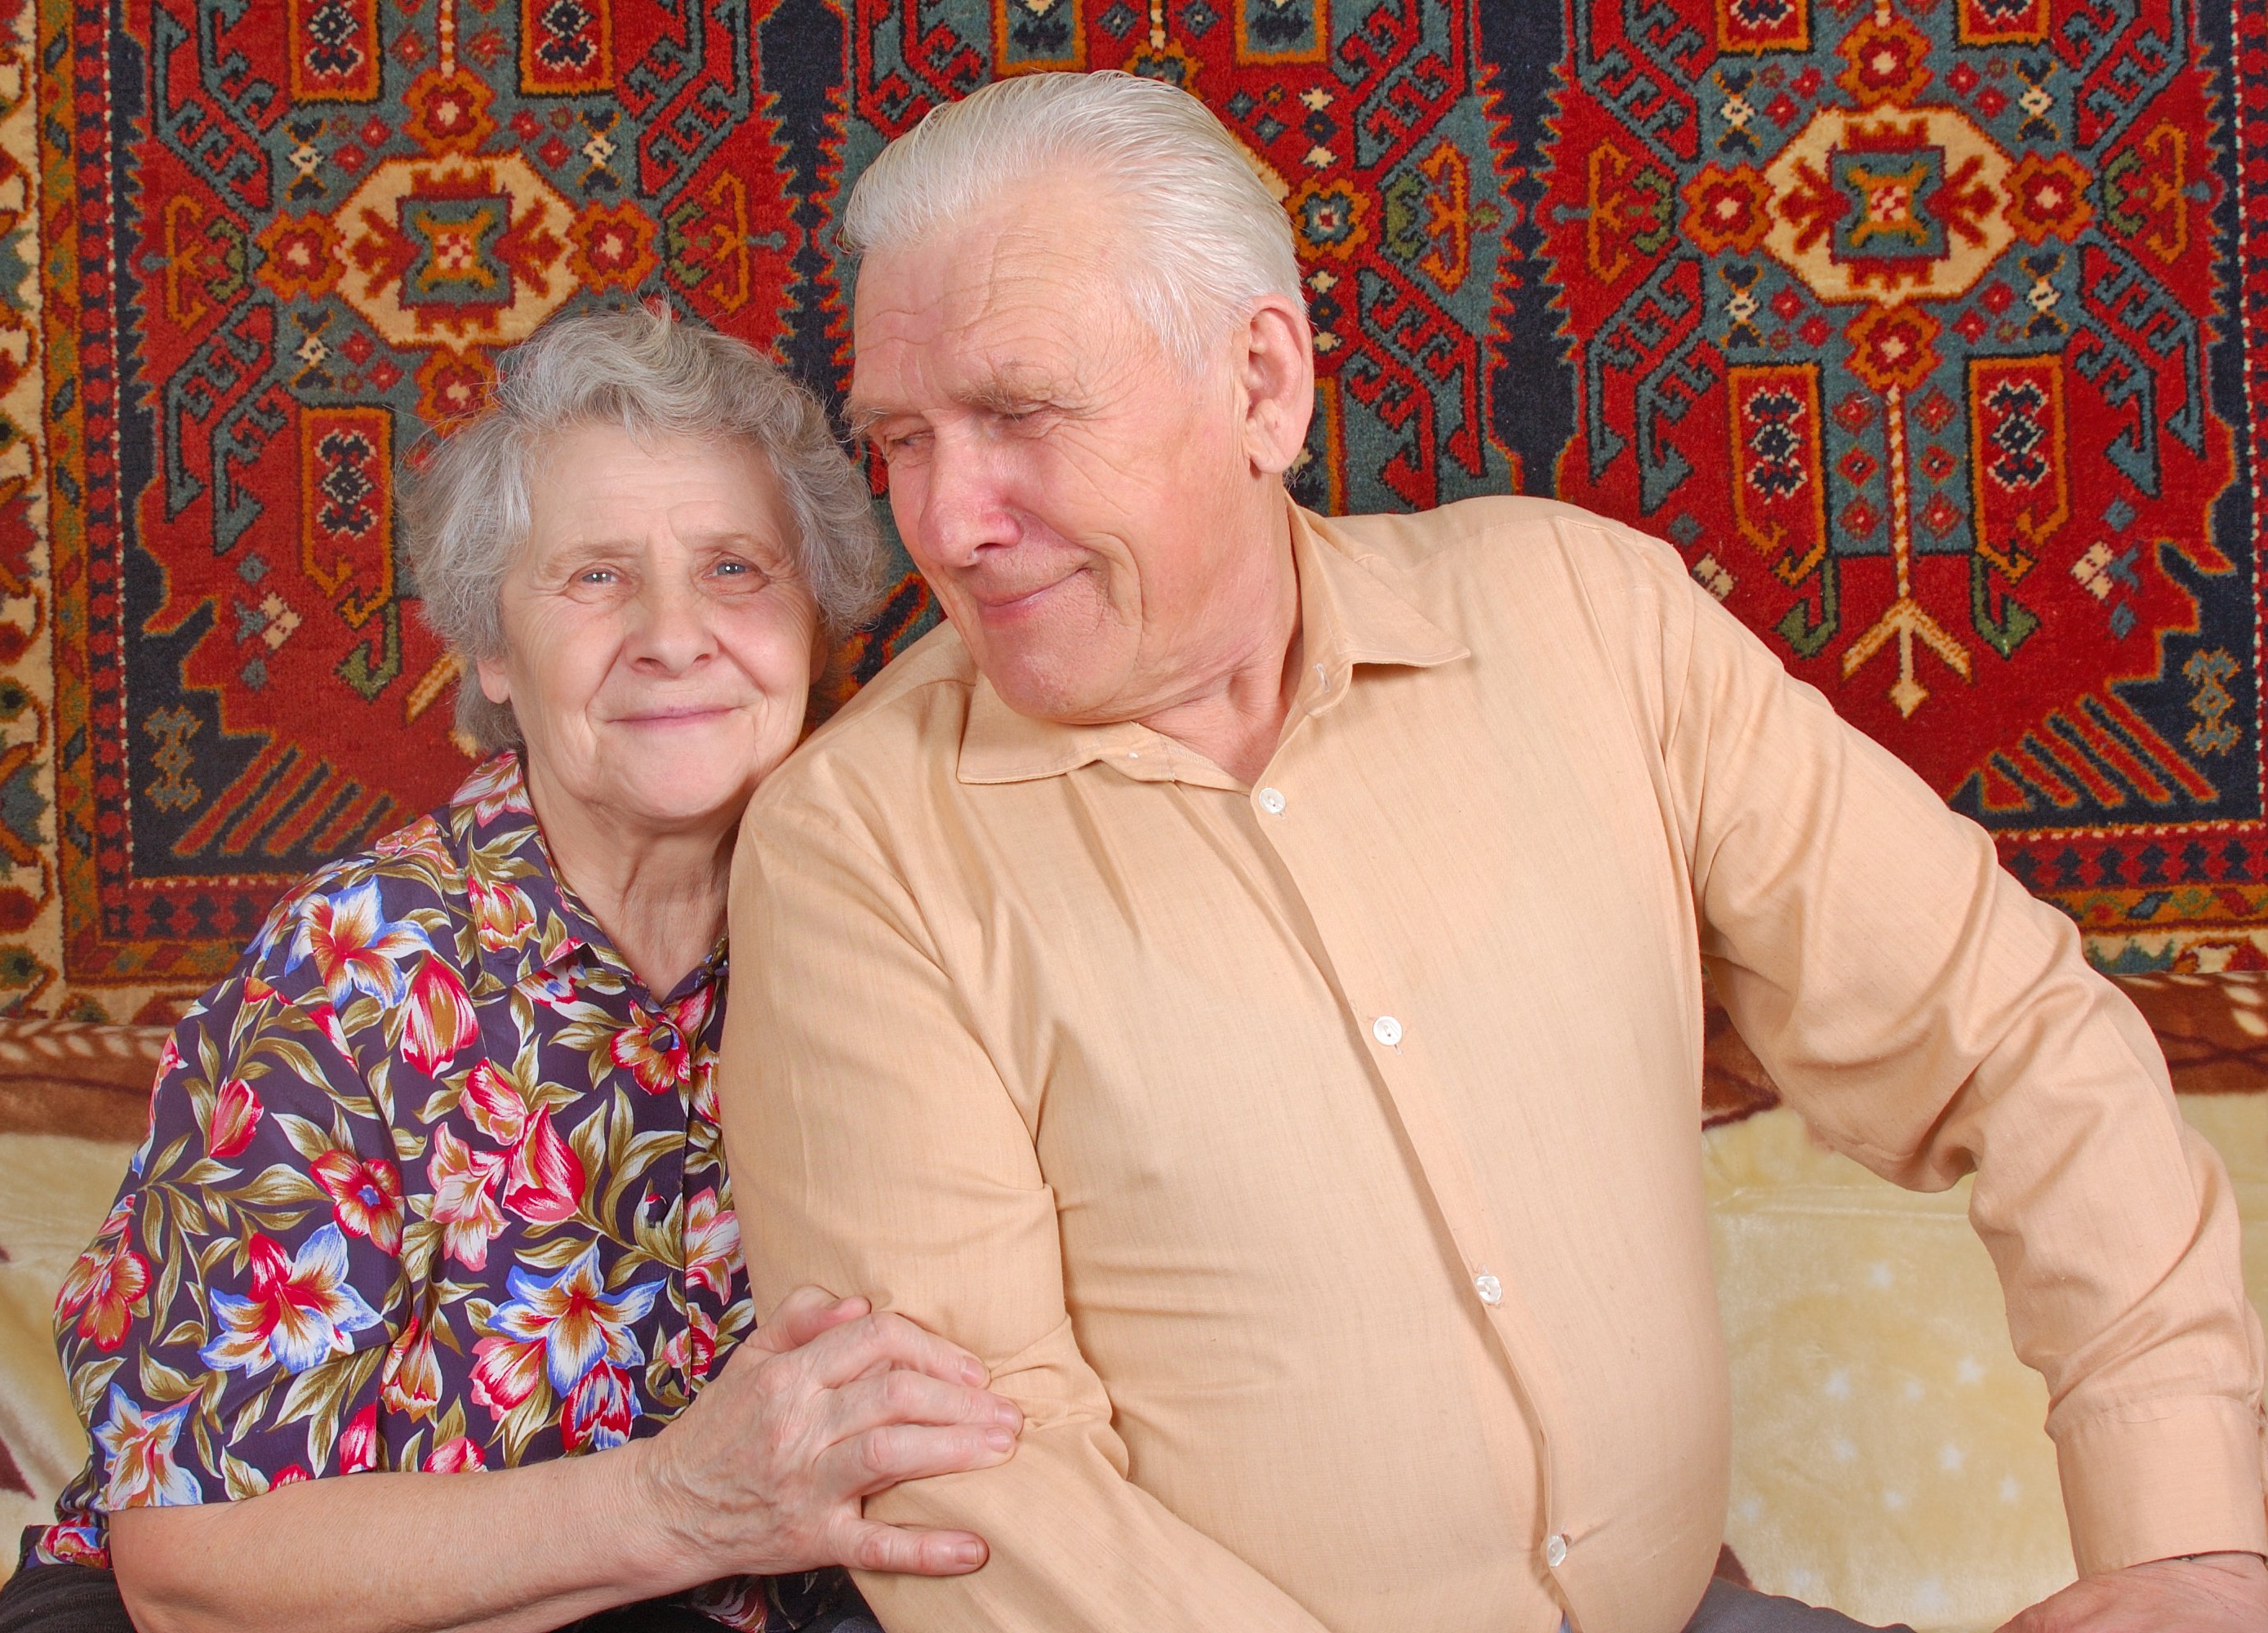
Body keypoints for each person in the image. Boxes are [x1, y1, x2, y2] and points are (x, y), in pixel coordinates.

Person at [714, 70, 2268, 1633]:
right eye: (902, 439)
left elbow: (2019, 1037)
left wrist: (2186, 1548)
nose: (948, 518)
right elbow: (980, 1494)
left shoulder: (1592, 620)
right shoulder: (854, 853)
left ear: (1262, 384)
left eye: (1019, 413)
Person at [0, 306, 1022, 1633]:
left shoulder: (891, 927)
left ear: (817, 622)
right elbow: (187, 1574)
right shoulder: (358, 967)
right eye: (594, 577)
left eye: (737, 570)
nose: (674, 633)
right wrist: (682, 1503)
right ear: (490, 650)